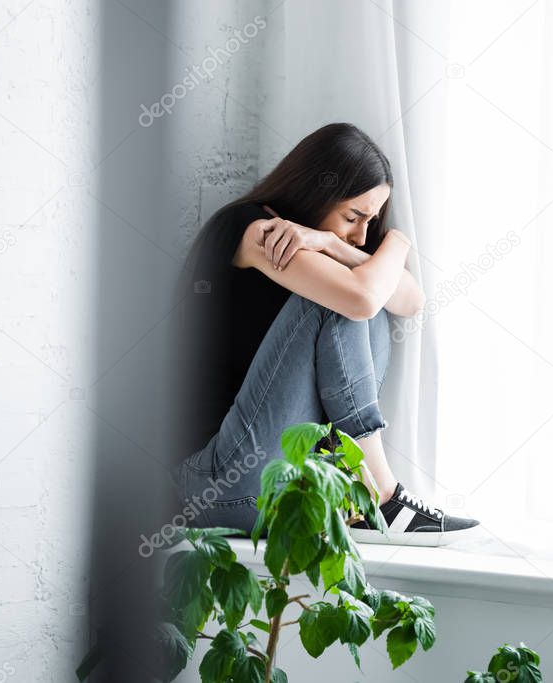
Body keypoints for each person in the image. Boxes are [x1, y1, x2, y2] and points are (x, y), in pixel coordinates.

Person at [169, 122, 479, 546]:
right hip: (214, 485)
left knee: (367, 292)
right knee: (345, 298)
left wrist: (358, 244)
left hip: (283, 488)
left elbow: (410, 300)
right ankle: (382, 497)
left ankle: (363, 498)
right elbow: (362, 297)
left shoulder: (316, 245)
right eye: (354, 217)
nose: (363, 234)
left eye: (372, 222)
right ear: (315, 189)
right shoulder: (255, 230)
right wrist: (384, 251)